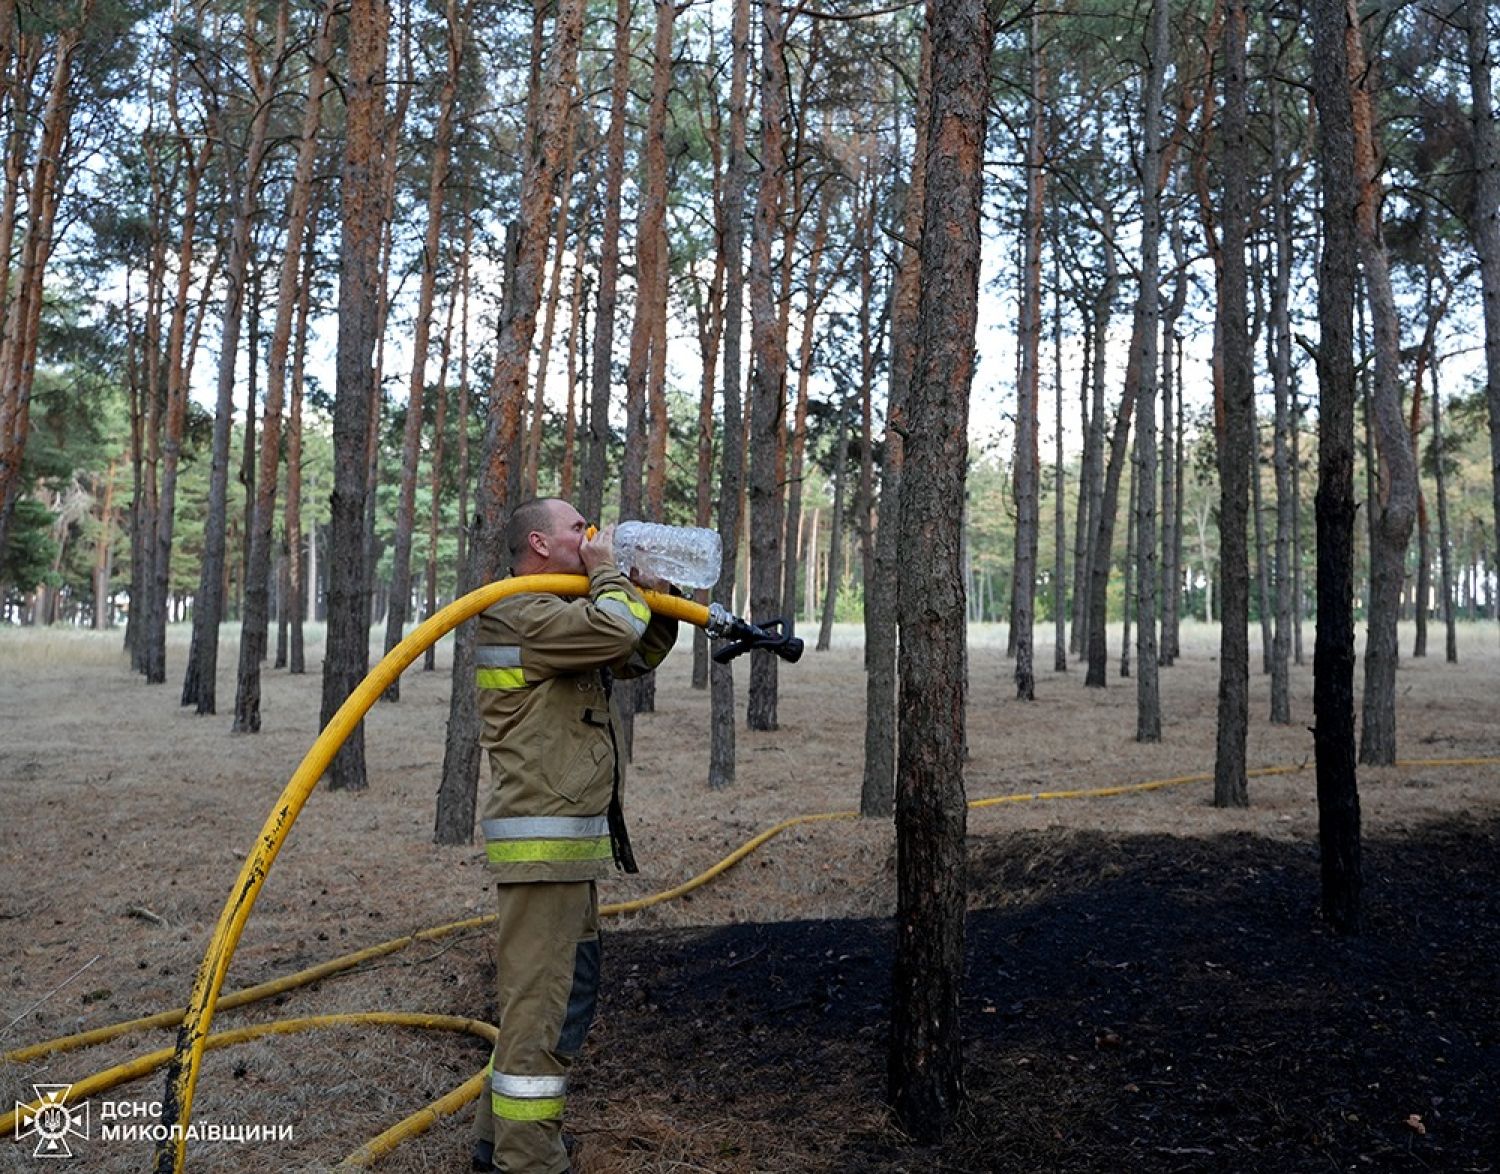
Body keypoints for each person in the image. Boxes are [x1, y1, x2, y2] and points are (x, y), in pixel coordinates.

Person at [470, 497, 678, 1173]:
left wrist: (658, 596)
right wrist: (612, 576)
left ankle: (492, 1144)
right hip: (544, 846)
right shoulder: (519, 609)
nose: (590, 534)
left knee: (559, 999)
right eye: (575, 527)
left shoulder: (558, 612)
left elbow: (631, 654)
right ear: (538, 541)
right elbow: (614, 629)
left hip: (567, 843)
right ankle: (529, 1162)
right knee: (542, 1011)